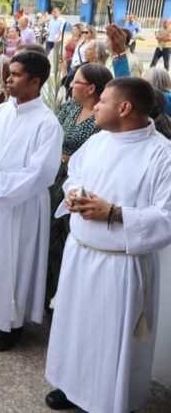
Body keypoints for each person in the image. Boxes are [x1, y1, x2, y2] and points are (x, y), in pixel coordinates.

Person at [44, 77, 171, 413]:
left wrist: (115, 213)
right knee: (77, 328)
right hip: (80, 253)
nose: (95, 105)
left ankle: (106, 401)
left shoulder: (162, 156)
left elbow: (167, 217)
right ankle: (72, 386)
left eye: (103, 101)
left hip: (121, 266)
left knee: (109, 339)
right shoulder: (99, 141)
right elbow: (77, 173)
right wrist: (74, 192)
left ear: (124, 108)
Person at [0, 51, 64, 351]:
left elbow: (41, 172)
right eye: (8, 72)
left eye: (17, 74)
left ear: (35, 82)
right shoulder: (1, 111)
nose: (8, 79)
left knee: (15, 261)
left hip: (21, 203)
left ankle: (11, 321)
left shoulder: (47, 123)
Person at [47, 63, 113, 305]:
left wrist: (69, 158)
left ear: (91, 88)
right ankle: (47, 292)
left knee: (65, 235)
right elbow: (52, 132)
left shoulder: (104, 117)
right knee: (49, 235)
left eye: (77, 81)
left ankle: (62, 297)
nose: (71, 84)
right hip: (54, 177)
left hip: (80, 184)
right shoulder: (70, 107)